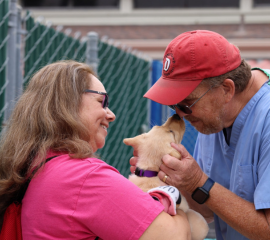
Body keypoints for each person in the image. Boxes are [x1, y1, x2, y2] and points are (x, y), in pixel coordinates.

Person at [0, 61, 191, 239]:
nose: (111, 115)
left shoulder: (36, 165)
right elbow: (174, 236)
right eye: (103, 102)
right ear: (68, 104)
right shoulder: (84, 177)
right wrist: (181, 209)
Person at [130, 30, 270, 240]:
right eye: (174, 104)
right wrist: (174, 178)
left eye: (186, 103)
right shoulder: (214, 116)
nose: (179, 113)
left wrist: (198, 181)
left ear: (226, 90)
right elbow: (208, 211)